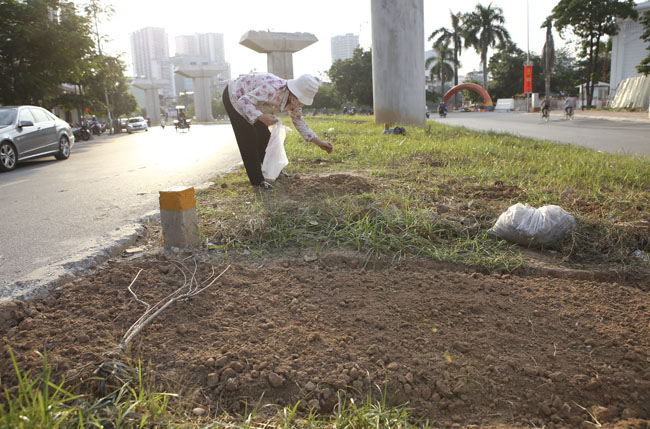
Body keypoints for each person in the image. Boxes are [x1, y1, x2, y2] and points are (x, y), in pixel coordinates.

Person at [222, 73, 333, 191]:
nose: (301, 104)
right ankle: (258, 182)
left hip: (253, 104)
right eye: (301, 99)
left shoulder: (294, 102)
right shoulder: (273, 89)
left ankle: (275, 172)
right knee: (249, 138)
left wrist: (320, 142)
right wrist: (262, 117)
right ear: (293, 92)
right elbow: (243, 102)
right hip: (234, 95)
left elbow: (300, 123)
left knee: (266, 138)